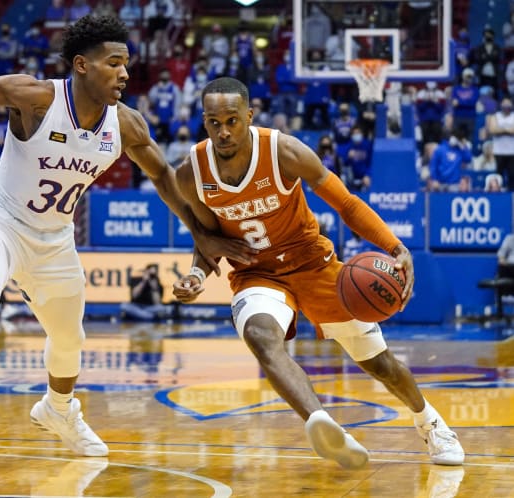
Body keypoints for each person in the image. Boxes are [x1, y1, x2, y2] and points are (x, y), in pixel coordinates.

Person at [0, 16, 256, 479]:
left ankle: (58, 409)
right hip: (2, 224)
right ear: (82, 65)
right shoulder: (36, 98)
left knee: (71, 340)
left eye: (127, 64)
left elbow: (165, 179)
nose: (125, 74)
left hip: (55, 241)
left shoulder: (126, 125)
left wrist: (199, 232)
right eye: (114, 63)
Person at [172, 77, 464, 470]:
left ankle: (430, 422)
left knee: (378, 363)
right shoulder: (192, 173)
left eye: (232, 120)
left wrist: (396, 247)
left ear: (249, 116)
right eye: (213, 122)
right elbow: (208, 241)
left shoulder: (284, 152)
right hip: (257, 274)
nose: (223, 131)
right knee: (261, 335)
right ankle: (323, 425)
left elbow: (346, 203)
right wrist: (196, 274)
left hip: (313, 264)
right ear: (204, 122)